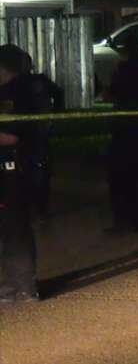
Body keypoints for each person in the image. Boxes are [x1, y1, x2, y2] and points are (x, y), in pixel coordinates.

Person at [0, 43, 51, 302]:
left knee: (14, 227)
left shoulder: (14, 93)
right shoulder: (30, 88)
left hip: (13, 168)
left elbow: (12, 136)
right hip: (21, 167)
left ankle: (21, 286)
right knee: (12, 227)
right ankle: (15, 284)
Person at [103, 37, 138, 233]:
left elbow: (107, 95)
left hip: (122, 126)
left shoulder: (122, 70)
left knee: (119, 175)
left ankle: (122, 220)